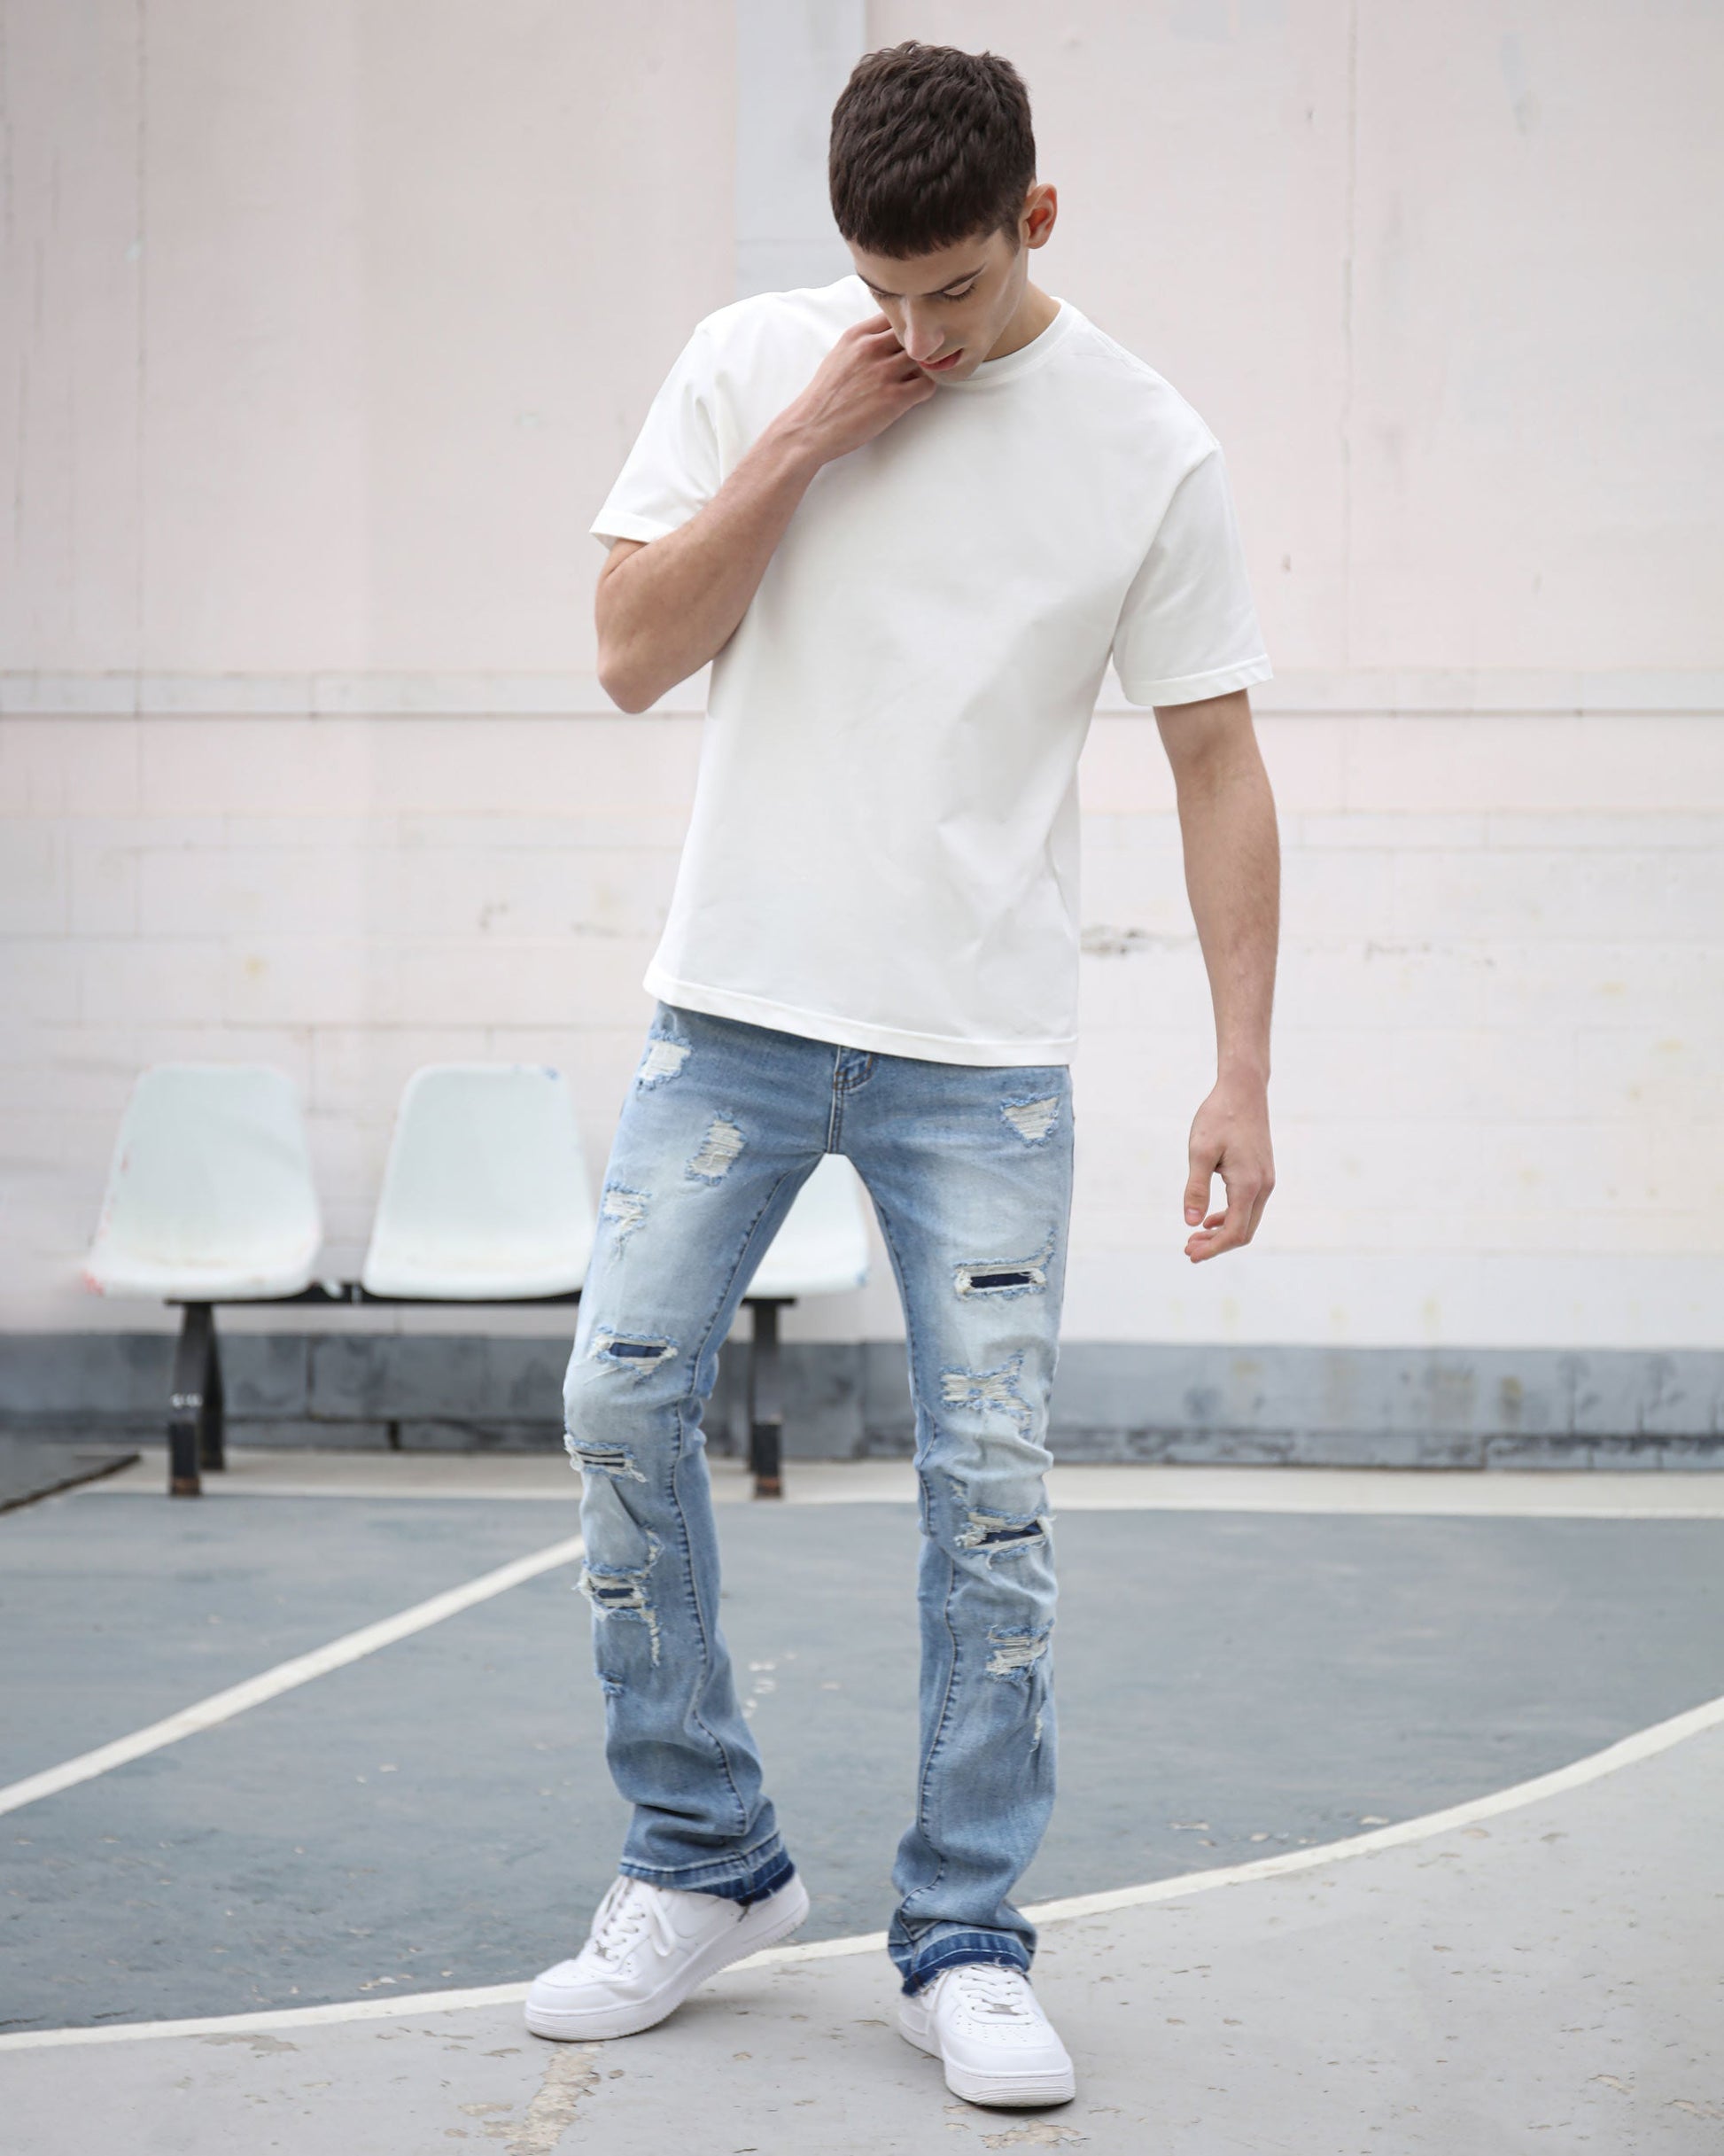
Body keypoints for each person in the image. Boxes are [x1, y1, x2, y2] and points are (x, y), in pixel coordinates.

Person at [524, 38, 1279, 2113]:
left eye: (954, 289)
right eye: (884, 292)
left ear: (1036, 220)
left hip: (982, 1058)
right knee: (615, 1400)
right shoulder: (754, 362)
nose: (919, 335)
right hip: (732, 1015)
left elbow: (1215, 757)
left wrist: (1240, 1070)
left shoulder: (1145, 443)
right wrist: (805, 434)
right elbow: (628, 651)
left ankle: (962, 1929)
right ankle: (704, 1854)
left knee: (991, 1497)